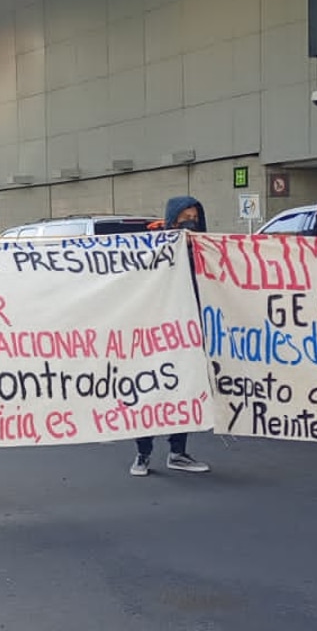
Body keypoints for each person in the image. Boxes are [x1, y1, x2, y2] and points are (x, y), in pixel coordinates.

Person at [130, 197, 211, 476]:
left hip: (188, 333)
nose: (190, 221)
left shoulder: (205, 249)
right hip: (155, 332)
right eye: (184, 216)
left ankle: (178, 451)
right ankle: (143, 453)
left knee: (184, 391)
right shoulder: (156, 247)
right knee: (149, 391)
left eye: (194, 216)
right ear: (172, 218)